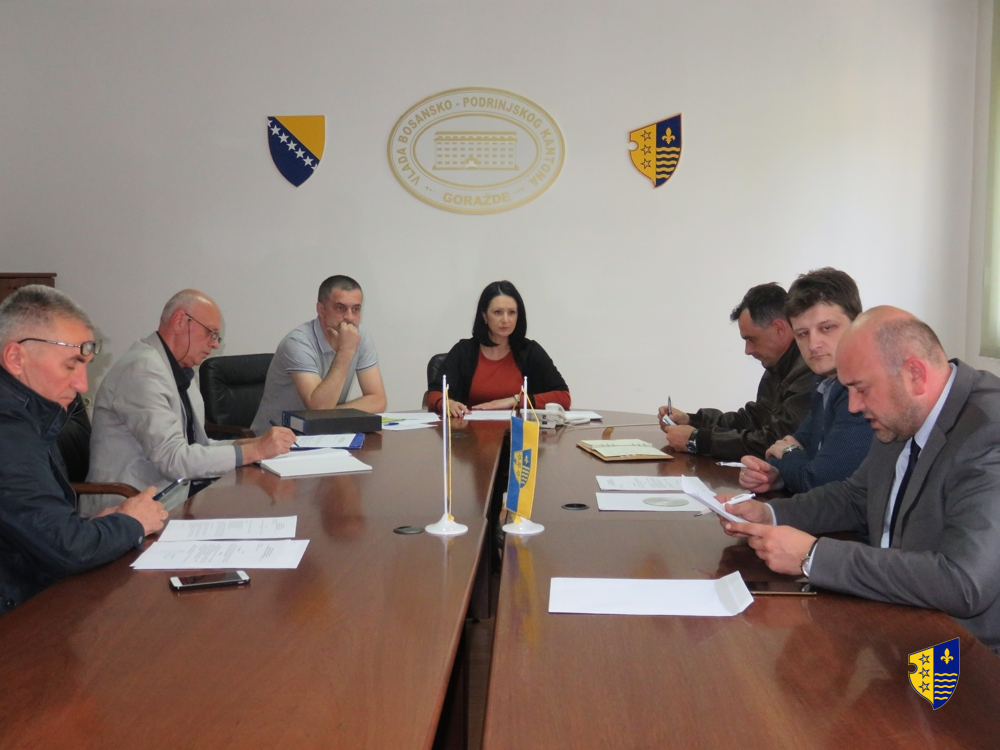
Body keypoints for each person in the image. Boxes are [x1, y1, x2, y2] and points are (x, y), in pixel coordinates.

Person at [721, 307, 1000, 654]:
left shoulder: (988, 435)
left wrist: (813, 556)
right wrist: (771, 514)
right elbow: (856, 496)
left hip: (970, 657)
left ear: (915, 374)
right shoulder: (904, 412)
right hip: (900, 623)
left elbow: (963, 583)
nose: (853, 406)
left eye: (861, 389)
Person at [0, 285, 166, 615]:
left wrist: (91, 526)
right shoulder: (8, 430)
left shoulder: (30, 415)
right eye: (70, 365)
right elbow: (68, 549)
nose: (82, 385)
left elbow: (33, 525)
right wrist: (132, 523)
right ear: (16, 358)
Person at [87, 289, 296, 513]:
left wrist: (252, 444)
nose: (215, 344)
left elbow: (196, 447)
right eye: (210, 333)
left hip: (171, 497)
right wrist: (256, 450)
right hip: (126, 509)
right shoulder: (142, 370)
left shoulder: (176, 367)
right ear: (180, 321)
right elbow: (174, 460)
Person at [738, 268, 874, 493]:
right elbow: (784, 448)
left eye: (826, 328)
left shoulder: (864, 390)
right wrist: (775, 475)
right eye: (802, 334)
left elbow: (819, 481)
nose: (813, 344)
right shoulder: (825, 382)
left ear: (858, 324)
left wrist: (790, 455)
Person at [658, 282, 814, 460]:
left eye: (752, 339)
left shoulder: (809, 371)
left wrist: (698, 440)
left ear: (779, 329)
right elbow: (752, 421)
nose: (747, 350)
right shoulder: (777, 366)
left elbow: (775, 441)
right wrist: (692, 420)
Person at [251, 275, 386, 435]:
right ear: (321, 310)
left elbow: (378, 400)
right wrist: (346, 351)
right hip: (275, 440)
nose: (350, 317)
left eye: (356, 309)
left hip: (324, 434)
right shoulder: (298, 342)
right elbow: (320, 409)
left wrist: (334, 413)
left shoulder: (359, 335)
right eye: (340, 308)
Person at [428, 280, 570, 416]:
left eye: (512, 312)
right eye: (498, 312)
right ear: (484, 315)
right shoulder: (464, 351)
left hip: (518, 431)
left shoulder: (530, 351)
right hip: (470, 430)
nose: (505, 320)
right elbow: (434, 393)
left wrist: (516, 400)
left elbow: (563, 396)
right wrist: (446, 403)